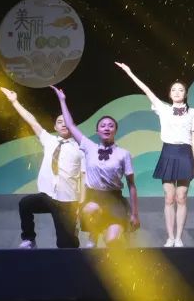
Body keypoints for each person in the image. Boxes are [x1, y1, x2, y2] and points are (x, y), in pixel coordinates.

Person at [114, 62, 194, 247]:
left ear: (186, 94)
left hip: (185, 154)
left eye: (181, 90)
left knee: (181, 197)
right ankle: (170, 237)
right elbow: (146, 90)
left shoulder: (193, 112)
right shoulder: (163, 108)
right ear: (169, 94)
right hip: (168, 152)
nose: (177, 92)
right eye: (174, 90)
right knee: (169, 197)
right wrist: (129, 72)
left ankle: (179, 237)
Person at [53, 86, 139, 247]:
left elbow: (132, 185)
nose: (107, 128)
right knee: (90, 209)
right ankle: (94, 233)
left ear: (115, 130)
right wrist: (62, 100)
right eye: (103, 125)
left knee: (112, 241)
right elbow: (70, 126)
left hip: (114, 200)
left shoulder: (124, 154)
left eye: (111, 125)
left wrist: (135, 214)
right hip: (94, 198)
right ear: (97, 130)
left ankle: (108, 232)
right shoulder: (89, 147)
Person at [0, 86, 84, 249]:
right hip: (48, 196)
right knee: (25, 204)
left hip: (68, 200)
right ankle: (29, 239)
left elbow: (84, 177)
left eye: (66, 121)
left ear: (73, 125)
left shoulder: (80, 148)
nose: (63, 124)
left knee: (66, 244)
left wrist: (81, 203)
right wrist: (15, 102)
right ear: (55, 127)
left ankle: (74, 249)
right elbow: (32, 121)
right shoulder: (49, 140)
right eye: (59, 122)